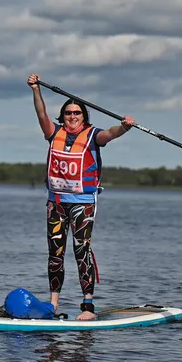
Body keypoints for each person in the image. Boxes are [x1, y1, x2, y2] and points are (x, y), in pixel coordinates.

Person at [28, 73, 135, 321]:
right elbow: (41, 114)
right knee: (55, 254)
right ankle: (53, 304)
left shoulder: (93, 135)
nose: (72, 116)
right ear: (63, 116)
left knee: (81, 251)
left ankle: (87, 307)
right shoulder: (53, 132)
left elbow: (111, 133)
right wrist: (36, 90)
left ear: (83, 116)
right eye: (68, 113)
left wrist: (124, 127)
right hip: (56, 204)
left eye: (77, 113)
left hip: (82, 205)